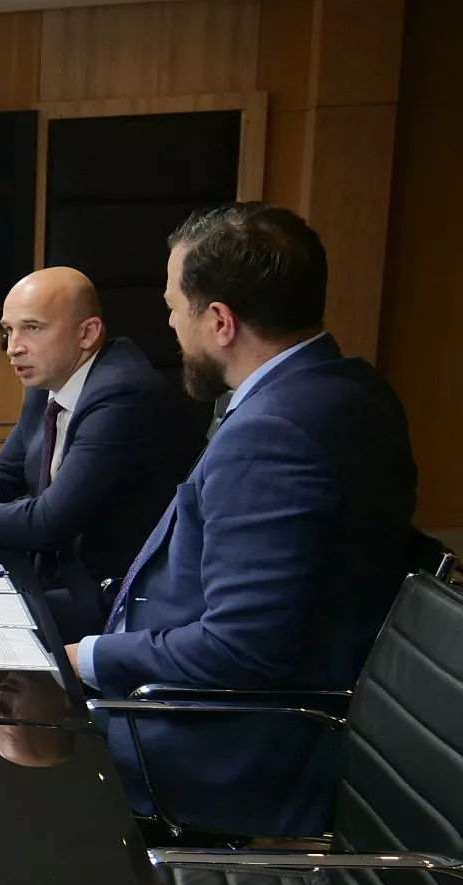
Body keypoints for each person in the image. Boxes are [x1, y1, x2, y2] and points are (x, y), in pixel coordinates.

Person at [68, 203, 418, 836]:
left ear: (220, 322)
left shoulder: (272, 432)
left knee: (1, 768)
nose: (170, 325)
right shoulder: (352, 387)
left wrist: (89, 658)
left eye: (175, 308)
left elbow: (240, 649)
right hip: (259, 712)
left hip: (219, 746)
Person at [0, 267, 203, 637]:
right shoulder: (50, 378)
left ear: (87, 333)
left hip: (114, 599)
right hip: (51, 572)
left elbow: (46, 524)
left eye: (32, 328)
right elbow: (5, 472)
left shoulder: (124, 395)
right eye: (9, 330)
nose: (13, 347)